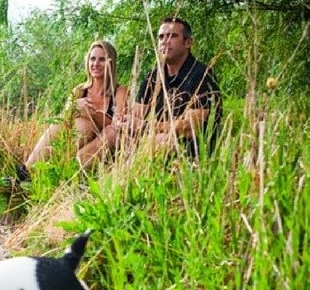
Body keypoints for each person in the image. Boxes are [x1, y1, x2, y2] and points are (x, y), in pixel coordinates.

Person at [17, 40, 128, 180]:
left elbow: (117, 125)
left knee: (86, 125)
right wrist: (72, 107)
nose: (96, 64)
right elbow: (63, 121)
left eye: (102, 59)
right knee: (77, 124)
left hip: (101, 145)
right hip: (75, 140)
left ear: (111, 63)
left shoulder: (120, 91)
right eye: (92, 59)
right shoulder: (79, 90)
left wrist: (92, 114)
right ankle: (27, 171)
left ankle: (65, 172)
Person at [131, 16, 222, 158]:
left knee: (162, 140)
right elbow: (135, 117)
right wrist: (124, 122)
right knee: (113, 133)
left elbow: (190, 128)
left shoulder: (202, 75)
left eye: (172, 36)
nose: (165, 42)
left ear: (188, 42)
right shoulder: (153, 76)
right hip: (155, 139)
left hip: (193, 151)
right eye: (161, 37)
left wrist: (147, 127)